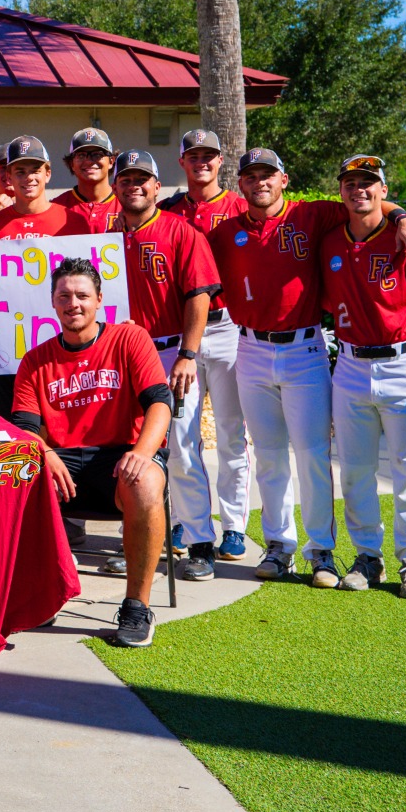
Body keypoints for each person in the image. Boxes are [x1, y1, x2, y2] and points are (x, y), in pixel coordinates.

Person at [207, 148, 406, 585]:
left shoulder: (312, 215)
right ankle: (278, 546)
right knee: (268, 456)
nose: (260, 182)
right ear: (240, 184)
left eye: (268, 174)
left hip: (304, 349)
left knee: (311, 455)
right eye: (251, 176)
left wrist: (404, 217)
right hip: (249, 348)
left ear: (283, 180)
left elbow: (368, 204)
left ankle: (320, 552)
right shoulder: (226, 232)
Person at [9, 256, 173, 649]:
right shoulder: (35, 360)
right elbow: (24, 430)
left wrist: (143, 452)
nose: (74, 303)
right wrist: (44, 453)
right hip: (64, 460)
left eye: (82, 295)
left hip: (121, 454)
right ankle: (43, 594)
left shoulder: (129, 339)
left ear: (99, 300)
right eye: (64, 296)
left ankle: (136, 607)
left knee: (145, 481)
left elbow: (160, 402)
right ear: (53, 303)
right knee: (16, 474)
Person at [322, 154, 406, 600]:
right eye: (350, 183)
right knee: (355, 471)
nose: (358, 189)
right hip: (350, 366)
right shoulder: (330, 241)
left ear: (383, 190)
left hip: (403, 365)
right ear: (341, 190)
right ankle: (368, 556)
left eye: (368, 182)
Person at [110, 150, 222, 581]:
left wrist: (188, 355)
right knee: (131, 450)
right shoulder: (105, 236)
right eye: (126, 179)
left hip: (168, 350)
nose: (134, 186)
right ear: (115, 187)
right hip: (122, 353)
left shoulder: (181, 231)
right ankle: (137, 542)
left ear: (157, 186)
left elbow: (199, 296)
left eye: (142, 179)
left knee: (181, 448)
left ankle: (200, 543)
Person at [158, 129, 251, 560]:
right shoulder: (167, 210)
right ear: (182, 161)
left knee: (232, 433)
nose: (202, 162)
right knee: (181, 436)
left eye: (208, 155)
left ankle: (234, 526)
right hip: (182, 334)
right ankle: (186, 521)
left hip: (229, 327)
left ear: (220, 160)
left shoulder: (241, 207)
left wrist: (399, 214)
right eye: (193, 155)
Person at [0, 137, 92, 240]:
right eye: (20, 172)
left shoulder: (73, 221)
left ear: (47, 174)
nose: (29, 177)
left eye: (35, 171)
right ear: (9, 177)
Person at [54, 128, 120, 233]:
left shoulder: (127, 206)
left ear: (111, 161)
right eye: (81, 155)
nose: (89, 161)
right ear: (71, 163)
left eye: (97, 154)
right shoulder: (56, 207)